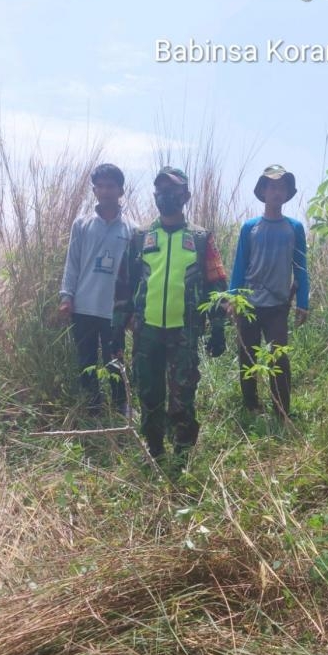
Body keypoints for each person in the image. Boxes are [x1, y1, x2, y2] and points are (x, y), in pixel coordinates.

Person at [114, 166, 227, 462]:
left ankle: (181, 457)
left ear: (185, 196)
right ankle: (155, 452)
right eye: (161, 190)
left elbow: (217, 284)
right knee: (149, 394)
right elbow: (125, 284)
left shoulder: (201, 238)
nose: (166, 196)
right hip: (147, 332)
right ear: (155, 195)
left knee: (183, 396)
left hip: (185, 332)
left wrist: (218, 328)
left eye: (173, 190)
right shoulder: (140, 237)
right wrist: (118, 325)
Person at [229, 164, 309, 418]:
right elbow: (240, 266)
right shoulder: (249, 228)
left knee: (279, 358)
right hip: (249, 305)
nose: (277, 192)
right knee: (248, 357)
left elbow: (301, 267)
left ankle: (281, 411)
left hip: (278, 306)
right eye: (272, 186)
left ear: (287, 193)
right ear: (263, 191)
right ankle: (251, 406)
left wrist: (303, 302)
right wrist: (232, 299)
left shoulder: (294, 228)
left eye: (282, 187)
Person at [59, 163, 134, 415]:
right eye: (99, 186)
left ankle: (121, 406)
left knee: (115, 360)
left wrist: (132, 309)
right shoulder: (82, 224)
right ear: (94, 191)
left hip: (114, 310)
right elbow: (72, 262)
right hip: (84, 306)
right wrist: (66, 296)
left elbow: (134, 275)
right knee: (86, 361)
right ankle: (93, 409)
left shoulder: (131, 230)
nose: (105, 191)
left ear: (120, 190)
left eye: (110, 186)